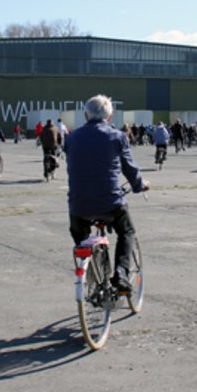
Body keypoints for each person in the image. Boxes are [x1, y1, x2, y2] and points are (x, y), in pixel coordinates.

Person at [65, 94, 150, 292]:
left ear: (85, 116)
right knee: (127, 231)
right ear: (110, 117)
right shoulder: (117, 137)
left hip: (78, 205)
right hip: (110, 202)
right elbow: (130, 169)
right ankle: (121, 272)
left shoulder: (71, 138)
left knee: (81, 236)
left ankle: (92, 271)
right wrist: (140, 185)